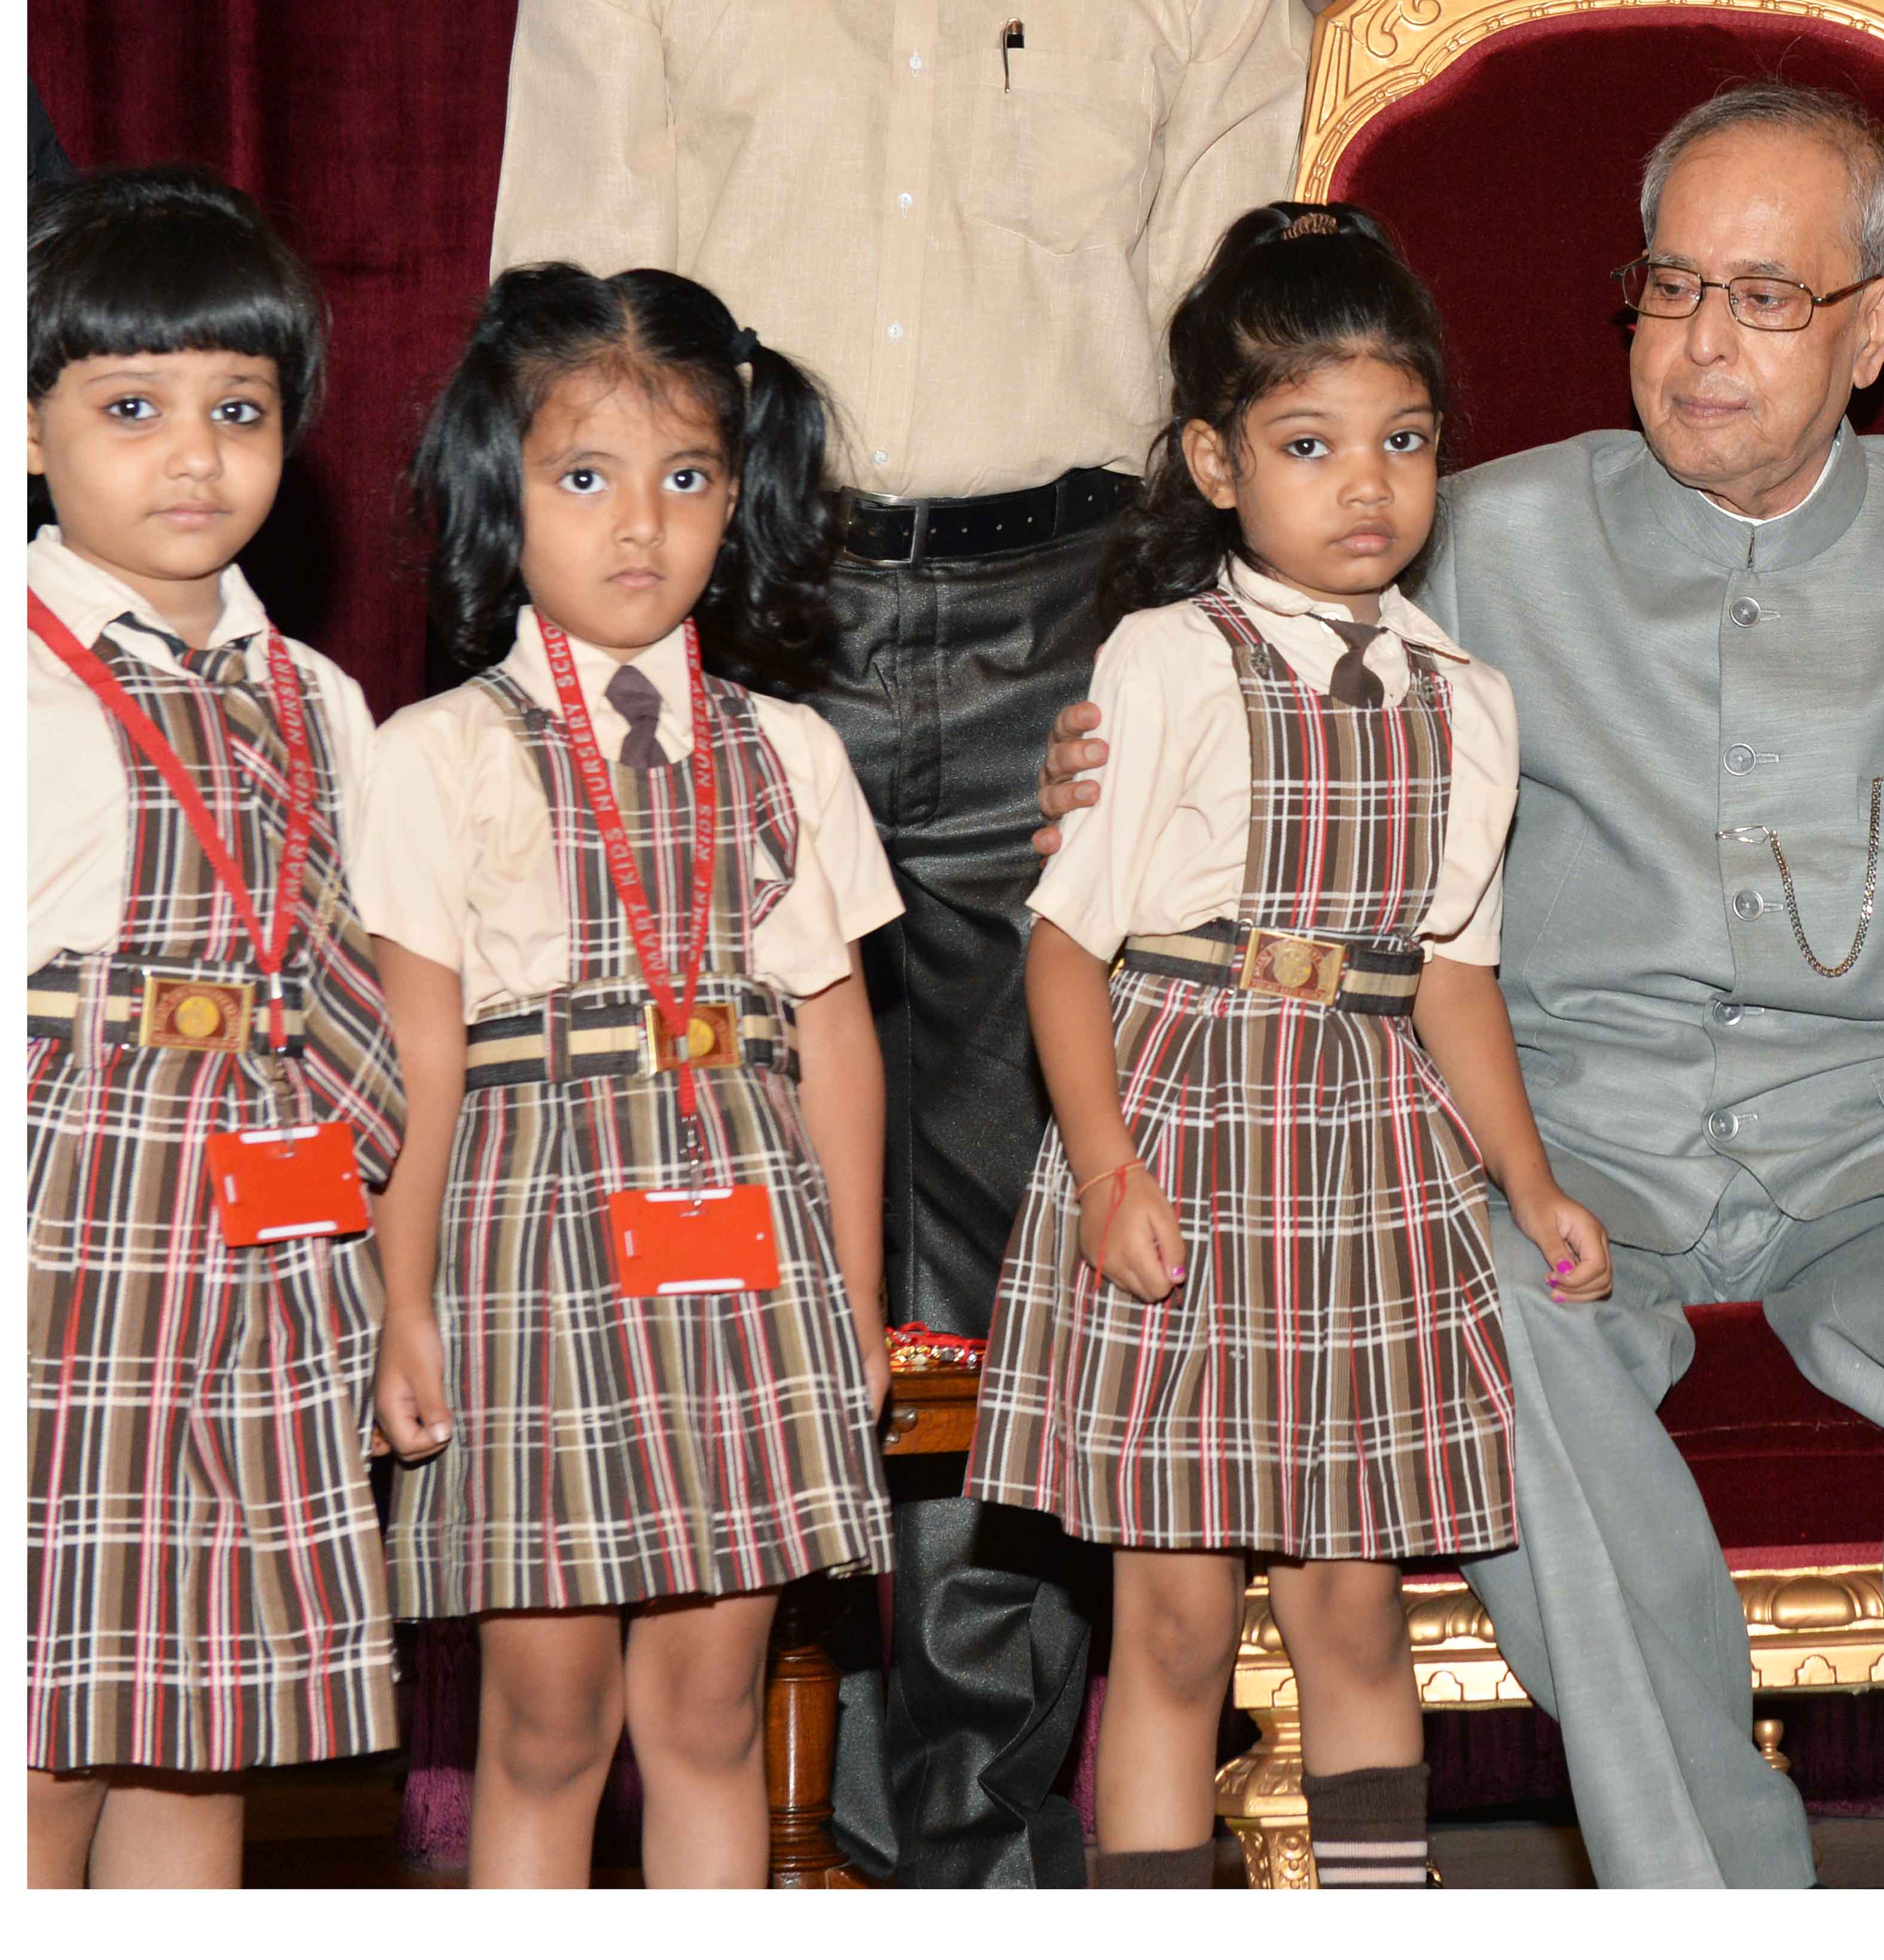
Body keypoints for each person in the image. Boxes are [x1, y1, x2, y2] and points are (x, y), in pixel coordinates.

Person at [1044, 82, 1884, 1889]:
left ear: (1876, 328)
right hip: (1565, 1126)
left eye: (1768, 299)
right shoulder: (1462, 539)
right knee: (1466, 1292)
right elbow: (1224, 709)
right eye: (1671, 287)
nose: (1702, 344)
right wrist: (1103, 766)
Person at [484, 1, 1314, 1884]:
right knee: (724, 1226)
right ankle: (753, 1813)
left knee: (1038, 1255)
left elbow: (1241, 357)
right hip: (742, 600)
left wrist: (1205, 675)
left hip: (1080, 617)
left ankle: (967, 1842)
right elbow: (563, 334)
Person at [969, 203, 1611, 1888]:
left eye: (1402, 441)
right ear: (1215, 461)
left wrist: (1531, 1185)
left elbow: (1453, 978)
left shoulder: (1467, 694)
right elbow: (1063, 953)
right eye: (1310, 444)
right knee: (1174, 1625)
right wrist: (1109, 1175)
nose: (1367, 485)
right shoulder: (1167, 662)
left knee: (1357, 1616)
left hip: (1370, 1174)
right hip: (1185, 1139)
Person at [359, 265, 900, 1888]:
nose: (641, 526)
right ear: (499, 492)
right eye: (583, 478)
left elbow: (841, 1039)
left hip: (751, 1255)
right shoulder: (434, 755)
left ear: (740, 497)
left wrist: (859, 1304)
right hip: (528, 1260)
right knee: (542, 1721)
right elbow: (419, 1060)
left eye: (688, 480)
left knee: (715, 1709)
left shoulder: (788, 750)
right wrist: (403, 1305)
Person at [25, 166, 405, 1888]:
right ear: (31, 435)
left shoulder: (318, 695)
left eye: (238, 409)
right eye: (132, 408)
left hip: (268, 1253)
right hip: (62, 1257)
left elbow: (381, 986)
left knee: (205, 1708)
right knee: (44, 1717)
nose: (194, 455)